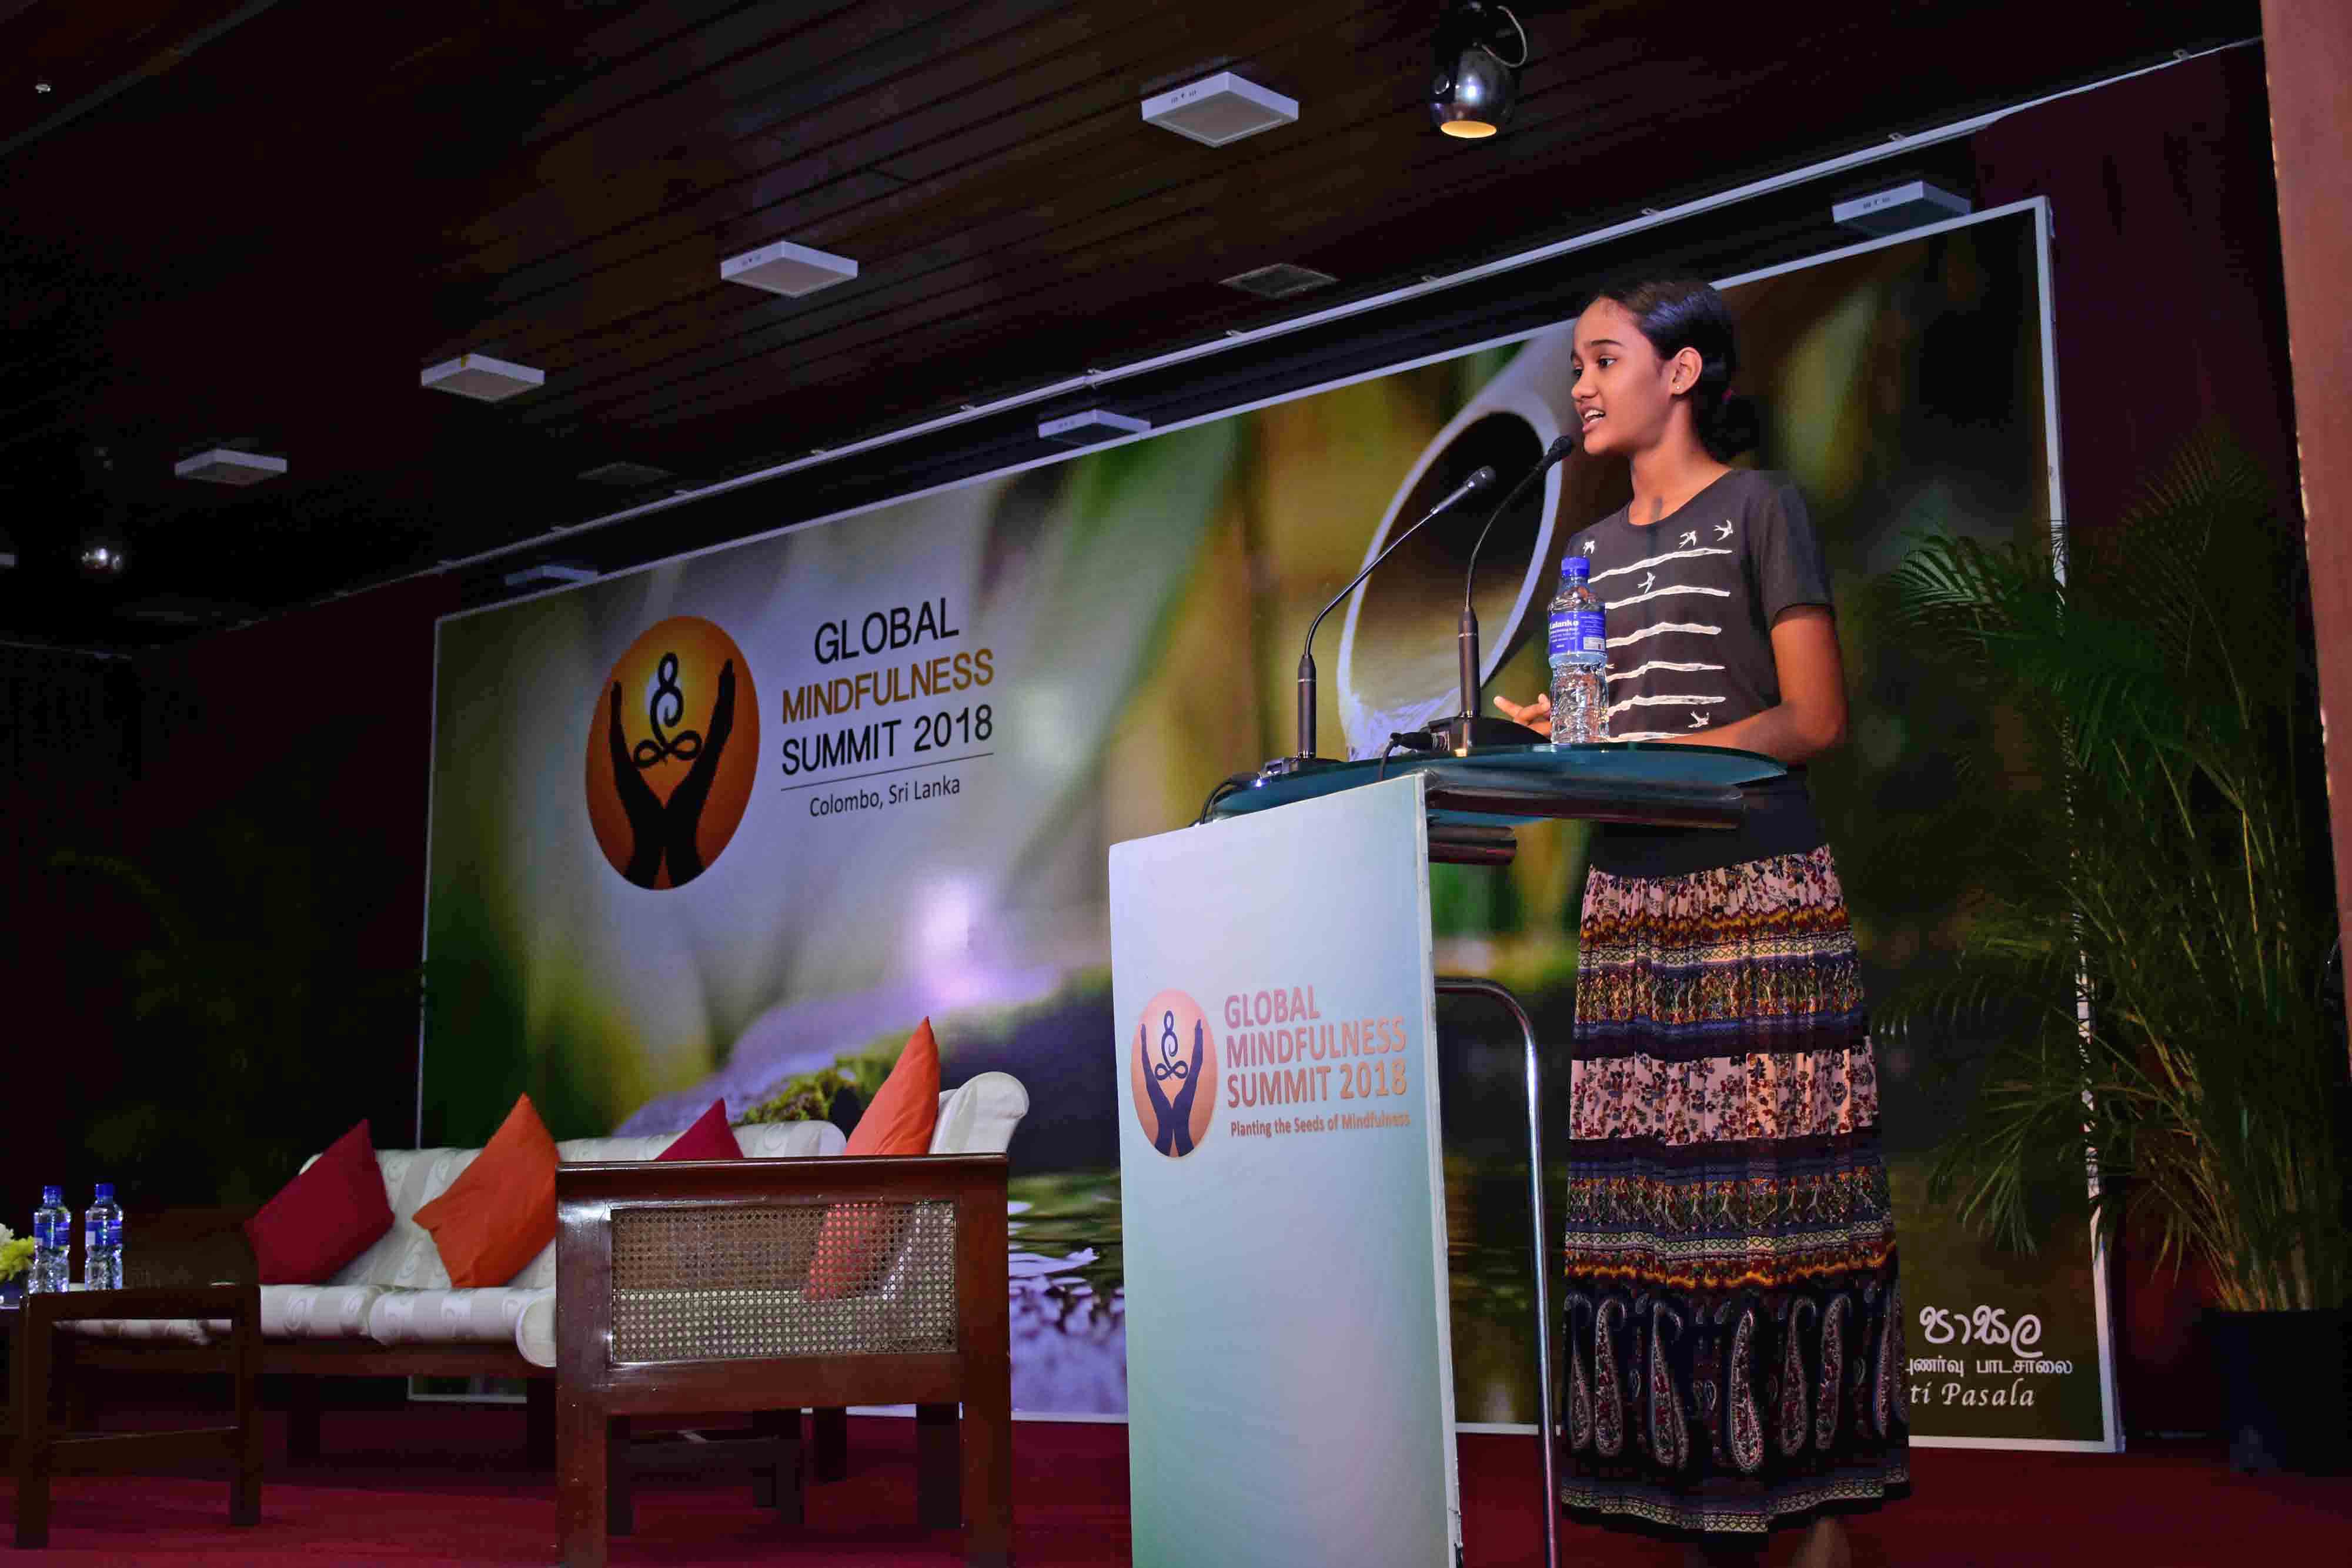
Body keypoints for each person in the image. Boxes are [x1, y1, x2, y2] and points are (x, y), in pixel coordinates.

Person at [1494, 279, 1907, 1568]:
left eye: (1601, 359)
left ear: (1680, 371)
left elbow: (1814, 716)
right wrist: (1559, 742)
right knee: (1653, 1225)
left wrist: (1664, 753)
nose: (1579, 386)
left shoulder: (1760, 507)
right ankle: (1692, 1499)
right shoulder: (1583, 556)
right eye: (1575, 365)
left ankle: (1818, 1505)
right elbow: (1599, 731)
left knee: (1777, 1212)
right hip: (1631, 909)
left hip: (1755, 898)